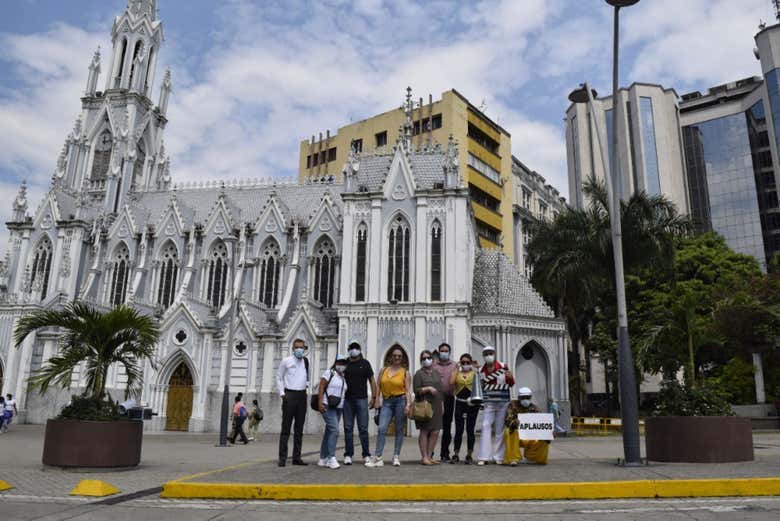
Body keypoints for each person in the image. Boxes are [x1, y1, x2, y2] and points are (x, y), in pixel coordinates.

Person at [366, 345, 411, 468]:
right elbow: (379, 386)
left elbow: (407, 390)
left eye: (399, 356)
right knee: (382, 428)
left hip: (400, 401)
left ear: (402, 358)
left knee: (399, 429)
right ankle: (378, 457)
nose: (397, 357)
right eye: (395, 355)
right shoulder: (383, 370)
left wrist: (408, 404)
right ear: (391, 357)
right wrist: (376, 399)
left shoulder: (405, 373)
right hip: (386, 402)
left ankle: (396, 456)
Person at [477, 346, 515, 465]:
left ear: (494, 354)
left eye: (491, 353)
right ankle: (484, 457)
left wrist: (510, 378)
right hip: (489, 402)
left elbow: (511, 383)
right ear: (483, 356)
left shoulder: (504, 366)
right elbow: (479, 387)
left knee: (499, 430)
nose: (489, 355)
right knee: (485, 426)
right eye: (486, 353)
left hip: (503, 402)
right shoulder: (480, 371)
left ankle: (498, 456)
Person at [275, 338, 310, 466]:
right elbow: (279, 377)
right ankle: (282, 458)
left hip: (301, 396)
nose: (300, 350)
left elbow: (307, 377)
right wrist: (282, 394)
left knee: (299, 429)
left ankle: (297, 457)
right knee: (286, 428)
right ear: (293, 349)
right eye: (297, 347)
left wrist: (307, 388)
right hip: (289, 395)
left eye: (302, 347)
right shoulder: (286, 361)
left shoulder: (306, 361)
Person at [342, 341, 377, 466]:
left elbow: (372, 380)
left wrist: (374, 397)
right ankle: (348, 454)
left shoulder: (365, 363)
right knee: (348, 428)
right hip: (347, 400)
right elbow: (334, 375)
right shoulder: (344, 363)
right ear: (348, 350)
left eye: (356, 348)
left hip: (362, 399)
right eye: (351, 348)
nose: (354, 350)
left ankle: (366, 454)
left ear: (360, 350)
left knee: (363, 428)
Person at [504, 387, 550, 465]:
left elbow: (542, 422)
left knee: (546, 436)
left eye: (527, 397)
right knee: (508, 431)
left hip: (531, 436)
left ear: (530, 397)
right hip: (517, 435)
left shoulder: (535, 408)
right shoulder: (512, 405)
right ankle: (513, 458)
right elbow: (507, 420)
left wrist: (549, 431)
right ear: (519, 397)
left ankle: (533, 457)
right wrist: (514, 423)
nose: (525, 399)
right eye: (523, 397)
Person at [317, 354, 348, 469]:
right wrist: (320, 402)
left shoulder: (343, 377)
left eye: (344, 363)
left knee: (329, 432)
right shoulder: (329, 373)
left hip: (338, 407)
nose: (342, 365)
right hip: (327, 405)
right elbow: (321, 387)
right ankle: (331, 457)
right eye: (340, 362)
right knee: (335, 430)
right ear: (335, 363)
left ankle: (322, 457)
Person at [413, 350, 444, 465]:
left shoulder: (436, 373)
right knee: (425, 431)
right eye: (424, 358)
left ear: (432, 359)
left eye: (429, 357)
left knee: (435, 431)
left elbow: (440, 390)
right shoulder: (419, 374)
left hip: (436, 404)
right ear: (421, 361)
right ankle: (424, 457)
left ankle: (430, 456)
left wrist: (442, 404)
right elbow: (416, 390)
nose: (427, 360)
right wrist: (427, 388)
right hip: (424, 405)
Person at [449, 353, 479, 464]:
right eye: (463, 362)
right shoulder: (457, 373)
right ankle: (456, 454)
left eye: (467, 362)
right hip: (460, 403)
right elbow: (451, 382)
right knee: (459, 430)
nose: (465, 364)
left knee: (470, 430)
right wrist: (456, 368)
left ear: (470, 363)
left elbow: (481, 385)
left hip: (472, 404)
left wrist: (477, 368)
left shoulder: (475, 373)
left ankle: (469, 454)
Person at [433, 342, 457, 462]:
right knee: (432, 426)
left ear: (449, 352)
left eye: (446, 351)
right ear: (439, 352)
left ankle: (444, 453)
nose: (444, 353)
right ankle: (429, 453)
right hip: (435, 399)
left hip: (449, 398)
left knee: (447, 427)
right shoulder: (433, 365)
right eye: (442, 351)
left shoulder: (454, 365)